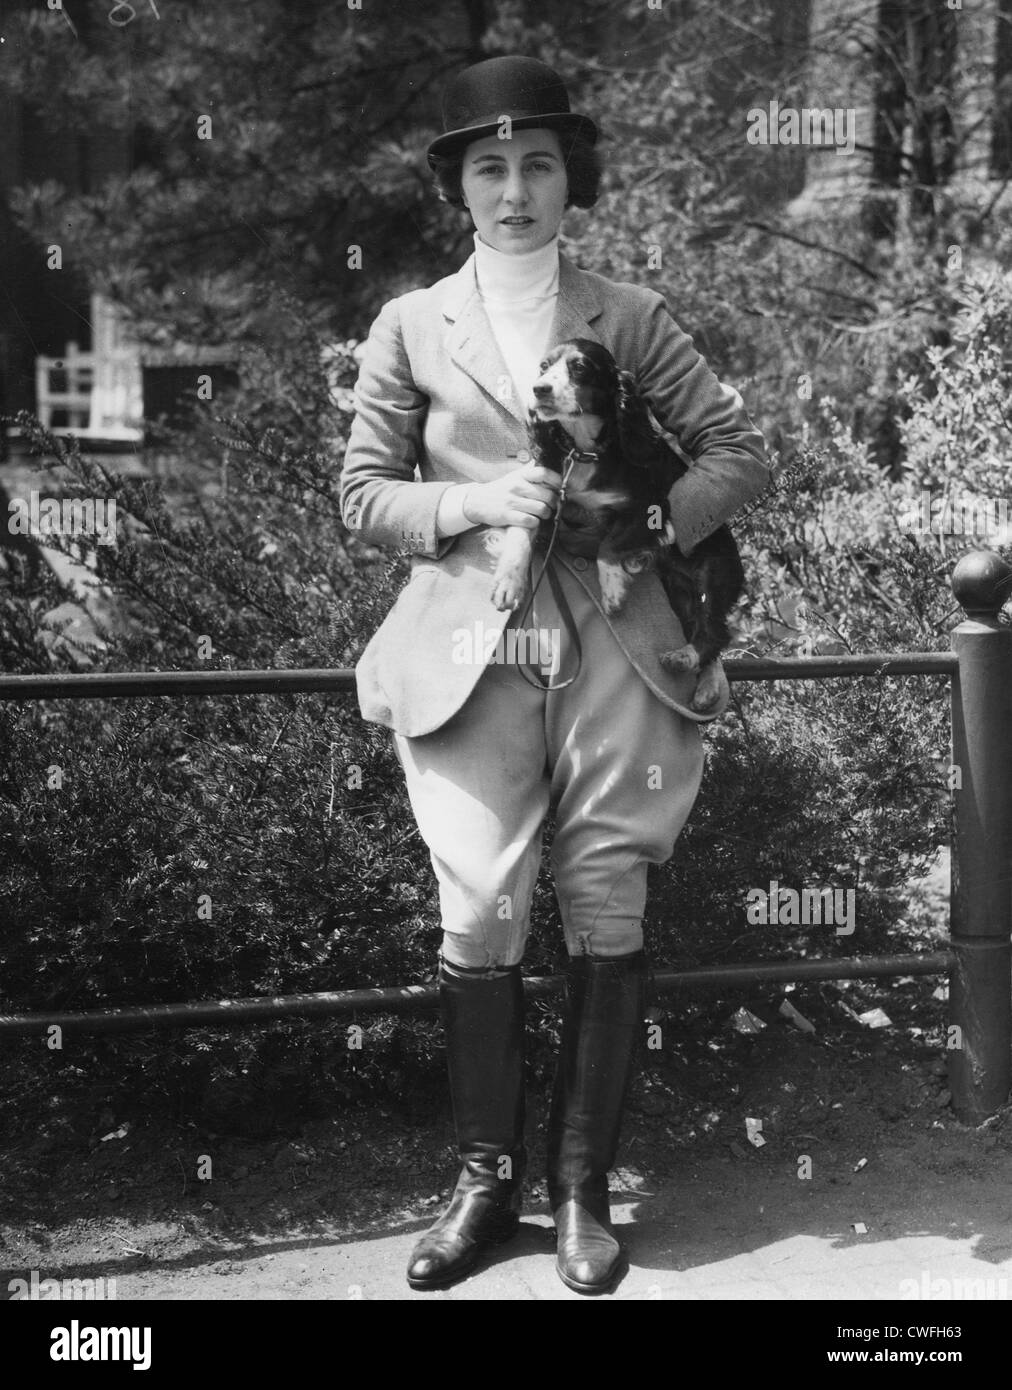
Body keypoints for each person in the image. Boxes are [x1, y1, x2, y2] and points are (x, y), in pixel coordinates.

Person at [340, 55, 769, 1295]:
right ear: (458, 187)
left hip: (621, 640)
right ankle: (485, 1185)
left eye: (537, 165)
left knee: (606, 903)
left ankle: (581, 1189)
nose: (516, 189)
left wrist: (642, 527)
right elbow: (361, 497)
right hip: (474, 645)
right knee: (477, 904)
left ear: (568, 177)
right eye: (490, 167)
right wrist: (476, 499)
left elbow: (737, 454)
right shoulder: (412, 324)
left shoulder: (629, 315)